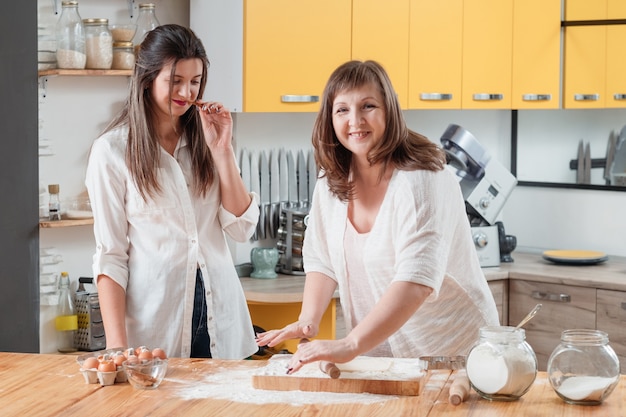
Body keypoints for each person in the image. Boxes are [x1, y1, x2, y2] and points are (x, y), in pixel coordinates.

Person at [255, 60, 499, 374]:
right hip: (388, 360)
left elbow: (418, 280)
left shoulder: (423, 178)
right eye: (342, 109)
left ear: (389, 111)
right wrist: (307, 323)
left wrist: (351, 344)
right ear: (329, 119)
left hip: (457, 356)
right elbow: (322, 260)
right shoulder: (330, 180)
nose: (355, 120)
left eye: (368, 106)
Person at [85, 24, 259, 359]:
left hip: (221, 317)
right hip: (156, 327)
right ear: (148, 78)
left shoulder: (208, 141)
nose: (187, 92)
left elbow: (241, 227)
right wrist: (116, 346)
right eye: (175, 81)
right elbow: (111, 256)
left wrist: (222, 150)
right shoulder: (111, 152)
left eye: (195, 82)